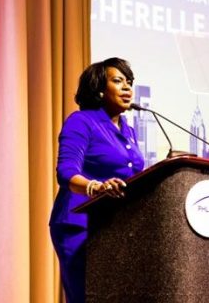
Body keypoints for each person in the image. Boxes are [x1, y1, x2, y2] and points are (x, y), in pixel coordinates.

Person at [49, 57, 145, 302]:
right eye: (118, 81)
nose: (127, 87)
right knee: (88, 297)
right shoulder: (82, 122)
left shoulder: (129, 131)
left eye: (129, 82)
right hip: (80, 225)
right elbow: (66, 172)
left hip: (117, 227)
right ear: (100, 90)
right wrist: (97, 187)